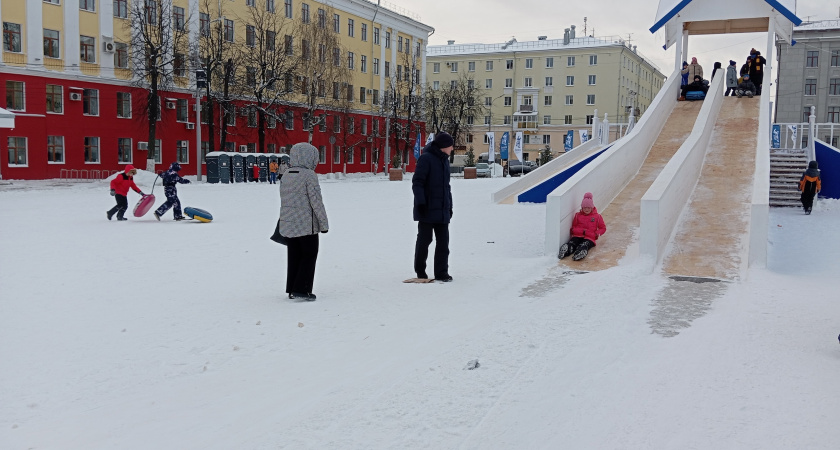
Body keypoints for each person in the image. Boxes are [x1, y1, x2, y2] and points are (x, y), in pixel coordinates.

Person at [278, 143, 329, 300]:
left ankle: (292, 288)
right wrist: (324, 224)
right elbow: (316, 202)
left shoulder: (286, 174)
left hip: (289, 222)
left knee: (294, 254)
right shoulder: (309, 175)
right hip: (307, 224)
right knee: (309, 254)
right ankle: (302, 289)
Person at [412, 131, 454, 282]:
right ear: (444, 147)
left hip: (442, 209)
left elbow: (446, 187)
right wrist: (421, 202)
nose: (452, 149)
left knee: (443, 243)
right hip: (427, 208)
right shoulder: (426, 159)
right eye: (450, 146)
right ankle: (420, 270)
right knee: (425, 240)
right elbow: (417, 182)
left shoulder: (444, 161)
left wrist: (449, 206)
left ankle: (442, 273)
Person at [558, 192, 607, 261]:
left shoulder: (597, 217)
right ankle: (567, 249)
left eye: (588, 208)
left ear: (592, 207)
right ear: (582, 207)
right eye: (584, 208)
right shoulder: (578, 215)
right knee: (573, 242)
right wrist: (573, 230)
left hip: (590, 237)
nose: (586, 209)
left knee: (584, 245)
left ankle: (580, 252)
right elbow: (574, 225)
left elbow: (603, 228)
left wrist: (596, 233)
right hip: (577, 235)